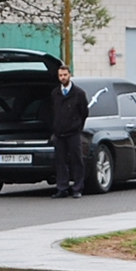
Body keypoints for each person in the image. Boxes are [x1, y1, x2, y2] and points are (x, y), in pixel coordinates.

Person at [51, 65, 89, 199]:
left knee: (76, 160)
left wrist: (78, 127)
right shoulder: (55, 93)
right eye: (60, 75)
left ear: (70, 75)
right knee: (60, 161)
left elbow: (84, 112)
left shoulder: (79, 93)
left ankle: (78, 188)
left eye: (65, 75)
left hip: (73, 133)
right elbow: (52, 112)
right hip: (59, 133)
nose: (63, 78)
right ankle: (62, 188)